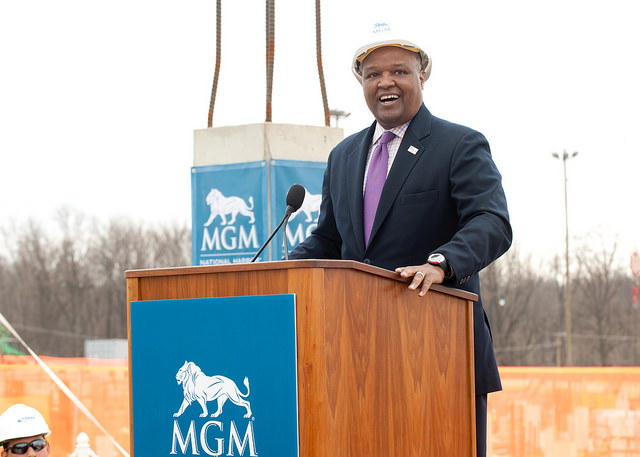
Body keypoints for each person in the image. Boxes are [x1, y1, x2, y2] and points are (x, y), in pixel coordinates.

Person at [289, 22, 512, 457]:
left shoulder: (459, 144)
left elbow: (492, 221)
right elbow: (330, 240)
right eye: (373, 74)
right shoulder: (343, 155)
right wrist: (281, 272)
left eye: (399, 72)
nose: (385, 82)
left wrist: (442, 263)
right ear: (362, 84)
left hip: (437, 351)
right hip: (355, 358)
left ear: (421, 77)